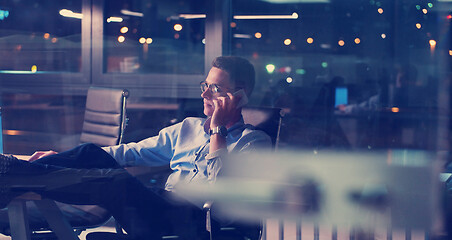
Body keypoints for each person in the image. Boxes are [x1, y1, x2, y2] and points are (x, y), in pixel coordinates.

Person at [0, 56, 271, 239]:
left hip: (197, 222)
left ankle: (15, 176)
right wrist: (59, 159)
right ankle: (14, 173)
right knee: (92, 152)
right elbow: (131, 152)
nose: (204, 94)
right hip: (160, 205)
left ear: (237, 95)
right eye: (205, 85)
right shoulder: (188, 127)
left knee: (115, 182)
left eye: (214, 88)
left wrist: (218, 130)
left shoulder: (254, 142)